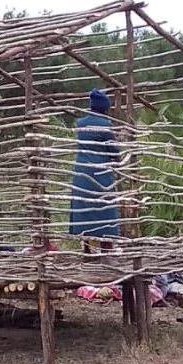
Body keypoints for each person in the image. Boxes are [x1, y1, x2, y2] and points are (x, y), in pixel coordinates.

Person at [69, 89, 120, 253]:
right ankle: (106, 251)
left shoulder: (80, 124)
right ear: (104, 108)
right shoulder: (105, 126)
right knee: (104, 211)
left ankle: (87, 251)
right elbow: (115, 152)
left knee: (85, 212)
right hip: (100, 175)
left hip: (82, 173)